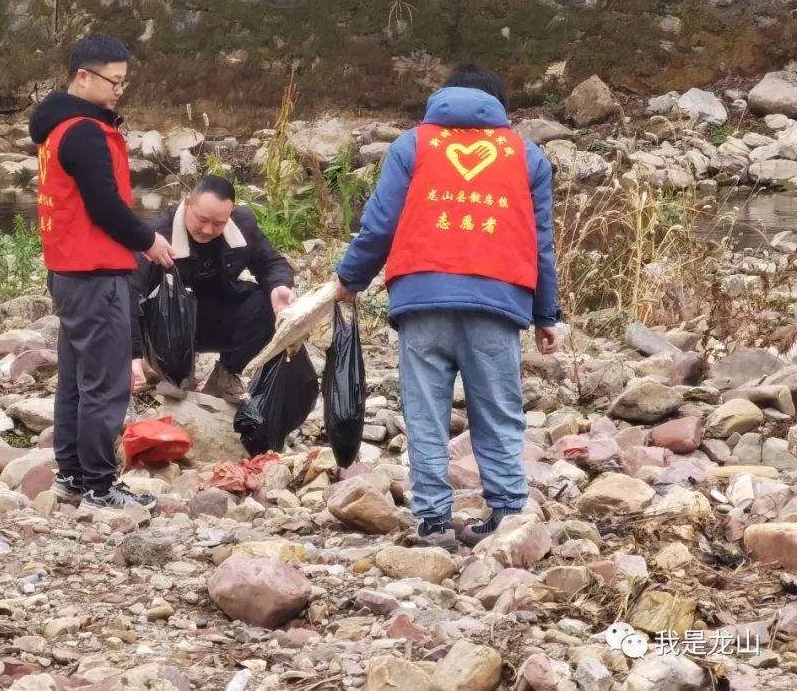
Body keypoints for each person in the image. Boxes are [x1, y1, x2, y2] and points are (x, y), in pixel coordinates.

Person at [333, 64, 561, 551]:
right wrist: (546, 314)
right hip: (496, 302)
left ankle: (434, 521)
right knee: (498, 411)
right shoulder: (527, 156)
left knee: (425, 413)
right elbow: (541, 241)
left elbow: (380, 223)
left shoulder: (412, 144)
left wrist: (350, 279)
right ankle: (505, 514)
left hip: (422, 299)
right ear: (500, 106)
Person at [28, 33, 175, 509]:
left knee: (76, 379)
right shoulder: (86, 132)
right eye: (114, 82)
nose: (119, 91)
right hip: (95, 272)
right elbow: (105, 206)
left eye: (123, 82)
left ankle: (72, 476)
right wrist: (148, 240)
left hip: (68, 272)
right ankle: (98, 484)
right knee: (105, 384)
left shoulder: (56, 127)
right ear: (83, 77)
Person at [130, 175, 297, 403]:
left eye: (219, 223)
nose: (208, 230)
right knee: (175, 383)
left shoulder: (243, 224)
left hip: (213, 315)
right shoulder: (157, 235)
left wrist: (279, 286)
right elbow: (127, 292)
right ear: (187, 203)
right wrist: (133, 353)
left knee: (266, 303)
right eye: (202, 220)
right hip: (165, 324)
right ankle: (169, 373)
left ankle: (225, 375)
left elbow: (270, 263)